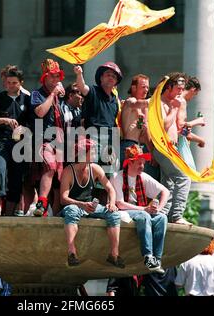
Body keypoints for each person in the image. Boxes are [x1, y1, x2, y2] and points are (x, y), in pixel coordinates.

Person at [60, 138, 125, 268]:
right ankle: (72, 252)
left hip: (90, 207)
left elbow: (110, 189)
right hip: (75, 206)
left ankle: (114, 254)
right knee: (71, 210)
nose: (96, 155)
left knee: (115, 215)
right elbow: (63, 198)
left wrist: (111, 203)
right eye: (93, 152)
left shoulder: (95, 168)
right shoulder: (68, 171)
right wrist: (81, 204)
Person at [111, 144, 169, 273]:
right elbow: (120, 203)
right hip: (122, 213)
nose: (142, 167)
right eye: (139, 163)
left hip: (140, 211)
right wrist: (144, 209)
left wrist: (158, 208)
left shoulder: (143, 177)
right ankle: (148, 256)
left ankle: (157, 259)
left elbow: (165, 191)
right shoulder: (117, 177)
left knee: (162, 218)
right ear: (130, 163)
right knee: (145, 216)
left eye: (143, 163)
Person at [0, 66, 31, 215]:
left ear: (21, 83)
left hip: (20, 144)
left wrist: (23, 129)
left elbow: (33, 122)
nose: (11, 85)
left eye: (14, 83)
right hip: (1, 141)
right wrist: (4, 120)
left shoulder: (27, 100)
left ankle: (9, 212)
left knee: (17, 177)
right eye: (8, 82)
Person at [151, 73, 192, 225]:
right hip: (164, 147)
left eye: (182, 89)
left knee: (168, 183)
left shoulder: (172, 103)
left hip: (171, 148)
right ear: (169, 87)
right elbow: (163, 126)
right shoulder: (160, 103)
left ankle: (163, 215)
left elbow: (177, 127)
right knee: (183, 178)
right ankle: (176, 215)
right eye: (178, 88)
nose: (181, 92)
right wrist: (174, 109)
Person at [31, 58, 66, 217]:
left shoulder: (59, 97)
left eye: (57, 76)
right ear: (44, 78)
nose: (55, 80)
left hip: (59, 142)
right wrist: (52, 94)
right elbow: (40, 112)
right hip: (43, 140)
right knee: (50, 168)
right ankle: (41, 203)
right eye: (52, 76)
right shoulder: (37, 94)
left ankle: (54, 214)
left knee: (58, 181)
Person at [74, 62, 123, 172]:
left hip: (109, 142)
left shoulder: (115, 101)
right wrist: (79, 74)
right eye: (108, 74)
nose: (111, 77)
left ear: (116, 82)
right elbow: (82, 87)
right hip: (93, 140)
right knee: (91, 174)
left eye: (114, 76)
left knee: (108, 176)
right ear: (101, 77)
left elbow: (114, 124)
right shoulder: (93, 91)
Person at [120, 74, 159, 178]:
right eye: (143, 87)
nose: (146, 90)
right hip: (128, 146)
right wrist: (156, 98)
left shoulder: (144, 108)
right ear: (134, 88)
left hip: (137, 146)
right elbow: (135, 103)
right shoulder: (130, 101)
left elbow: (144, 131)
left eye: (147, 87)